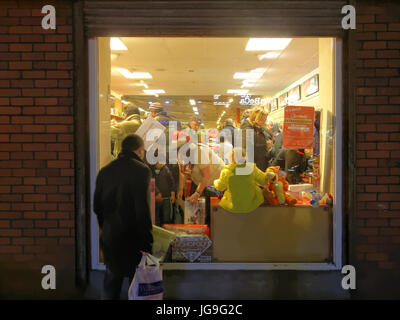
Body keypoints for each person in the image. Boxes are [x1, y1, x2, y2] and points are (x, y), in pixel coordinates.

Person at [93, 134, 153, 300]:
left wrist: (105, 228)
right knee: (136, 286)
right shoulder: (142, 170)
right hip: (133, 237)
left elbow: (97, 206)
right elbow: (142, 209)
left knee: (112, 282)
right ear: (140, 150)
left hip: (111, 236)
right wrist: (147, 242)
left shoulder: (105, 171)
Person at [176, 141, 225, 225]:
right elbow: (182, 172)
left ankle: (210, 230)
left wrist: (197, 193)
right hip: (199, 181)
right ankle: (197, 227)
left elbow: (206, 175)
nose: (181, 158)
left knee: (210, 210)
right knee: (194, 206)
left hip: (214, 180)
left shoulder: (200, 152)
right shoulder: (181, 155)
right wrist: (180, 189)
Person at [214, 148, 267, 213]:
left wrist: (215, 181)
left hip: (232, 205)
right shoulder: (252, 169)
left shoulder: (226, 172)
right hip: (252, 203)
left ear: (231, 158)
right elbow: (264, 181)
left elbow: (220, 187)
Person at [240, 107, 271, 172]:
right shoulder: (247, 130)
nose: (264, 122)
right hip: (253, 167)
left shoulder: (259, 129)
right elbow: (245, 150)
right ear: (254, 118)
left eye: (265, 120)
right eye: (262, 120)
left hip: (259, 165)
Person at [150, 161, 176, 226]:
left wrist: (172, 195)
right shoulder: (151, 171)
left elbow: (172, 183)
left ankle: (166, 231)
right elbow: (151, 183)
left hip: (166, 198)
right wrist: (154, 194)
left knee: (166, 217)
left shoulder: (166, 170)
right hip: (155, 198)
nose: (161, 163)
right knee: (156, 218)